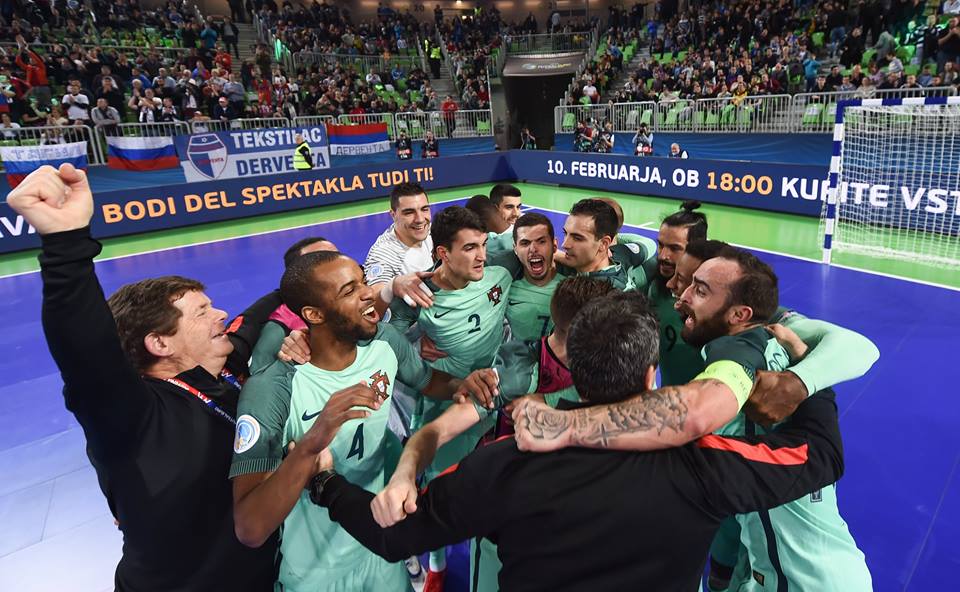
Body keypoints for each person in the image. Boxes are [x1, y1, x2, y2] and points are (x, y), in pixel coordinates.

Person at [312, 290, 847, 592]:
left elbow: (392, 534)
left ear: (572, 367)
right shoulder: (704, 465)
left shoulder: (502, 463)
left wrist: (326, 482)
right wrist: (805, 376)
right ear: (650, 374)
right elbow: (820, 456)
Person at [517, 245, 876, 592]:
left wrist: (567, 424)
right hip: (767, 569)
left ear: (739, 313)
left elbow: (691, 414)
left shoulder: (734, 352)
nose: (680, 295)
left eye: (698, 288)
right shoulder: (773, 332)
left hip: (805, 581)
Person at [6, 164, 278, 590]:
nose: (221, 314)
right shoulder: (134, 417)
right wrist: (64, 245)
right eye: (202, 311)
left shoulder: (222, 370)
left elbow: (256, 317)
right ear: (160, 343)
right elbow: (87, 355)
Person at [230, 250, 494, 592]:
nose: (369, 293)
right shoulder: (272, 389)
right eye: (349, 290)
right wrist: (311, 444)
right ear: (313, 314)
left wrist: (461, 384)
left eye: (364, 281)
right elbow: (249, 528)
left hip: (379, 543)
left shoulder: (385, 342)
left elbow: (427, 380)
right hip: (313, 571)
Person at [370, 277, 615, 592]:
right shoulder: (517, 375)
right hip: (509, 521)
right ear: (587, 334)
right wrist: (404, 476)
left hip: (572, 515)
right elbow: (436, 431)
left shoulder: (607, 364)